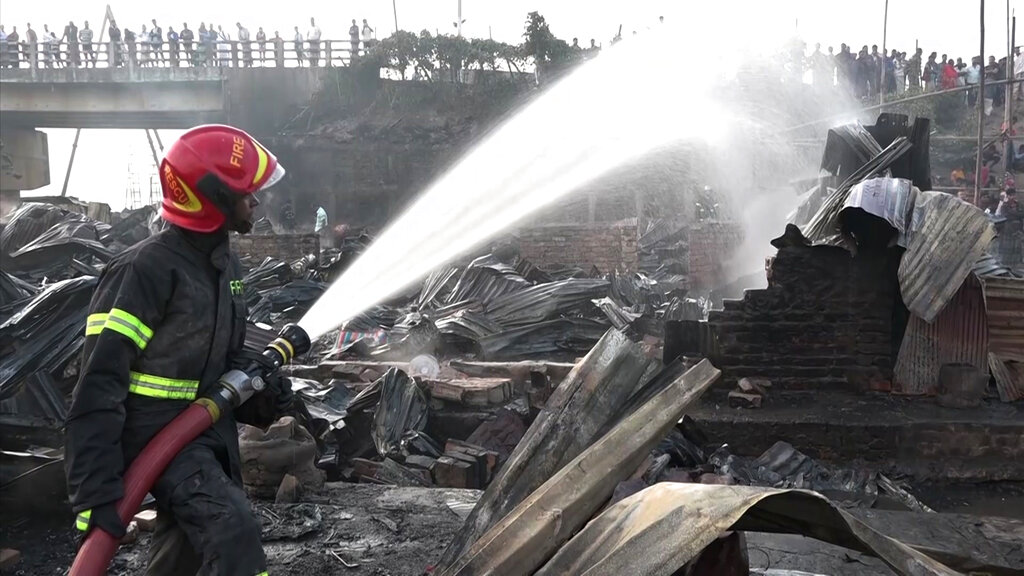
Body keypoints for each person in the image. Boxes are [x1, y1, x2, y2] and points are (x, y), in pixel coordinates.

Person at [65, 124, 291, 576]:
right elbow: (97, 383)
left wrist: (264, 395)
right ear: (213, 196)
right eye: (247, 192)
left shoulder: (225, 265)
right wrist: (94, 491)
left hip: (207, 433)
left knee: (184, 552)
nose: (257, 201)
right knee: (233, 532)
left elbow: (218, 362)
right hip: (155, 435)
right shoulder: (144, 270)